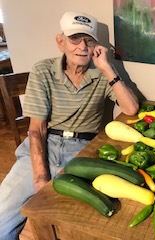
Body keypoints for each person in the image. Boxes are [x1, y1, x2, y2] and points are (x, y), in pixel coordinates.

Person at [0, 11, 139, 239]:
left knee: (82, 224)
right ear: (60, 41)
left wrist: (106, 68)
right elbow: (37, 130)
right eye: (75, 38)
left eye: (89, 40)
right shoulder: (43, 70)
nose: (82, 46)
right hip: (43, 145)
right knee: (1, 220)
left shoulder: (101, 72)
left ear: (96, 45)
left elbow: (132, 109)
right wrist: (40, 179)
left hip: (82, 151)